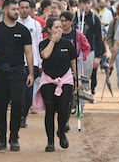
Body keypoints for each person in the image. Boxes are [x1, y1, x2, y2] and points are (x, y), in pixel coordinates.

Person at [0, 0, 34, 151]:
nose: (17, 12)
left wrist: (31, 73)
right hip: (0, 73)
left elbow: (29, 53)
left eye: (18, 9)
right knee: (0, 107)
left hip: (18, 72)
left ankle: (14, 137)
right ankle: (1, 138)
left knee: (18, 103)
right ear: (5, 10)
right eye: (14, 9)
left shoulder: (23, 31)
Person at [33, 17, 77, 152]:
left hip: (65, 79)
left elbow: (73, 61)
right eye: (56, 27)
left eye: (60, 27)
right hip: (48, 80)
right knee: (50, 111)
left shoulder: (68, 44)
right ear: (49, 30)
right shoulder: (43, 43)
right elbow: (45, 55)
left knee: (64, 109)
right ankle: (50, 141)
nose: (60, 29)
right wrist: (53, 40)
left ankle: (62, 132)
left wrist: (77, 79)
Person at [17, 0, 42, 128]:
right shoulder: (14, 24)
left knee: (27, 94)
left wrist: (40, 63)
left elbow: (39, 44)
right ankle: (17, 115)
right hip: (16, 63)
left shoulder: (36, 25)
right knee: (17, 93)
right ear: (18, 8)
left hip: (31, 64)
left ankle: (23, 116)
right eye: (22, 7)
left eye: (27, 7)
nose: (24, 10)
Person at [73, 0, 102, 96]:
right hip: (75, 51)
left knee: (86, 76)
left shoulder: (94, 18)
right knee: (74, 76)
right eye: (83, 3)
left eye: (88, 3)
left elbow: (99, 38)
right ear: (79, 4)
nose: (86, 6)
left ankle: (82, 100)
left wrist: (98, 56)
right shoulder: (74, 17)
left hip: (89, 52)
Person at [106, 1, 119, 102]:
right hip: (118, 50)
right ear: (118, 10)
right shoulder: (114, 22)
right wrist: (111, 48)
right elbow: (109, 36)